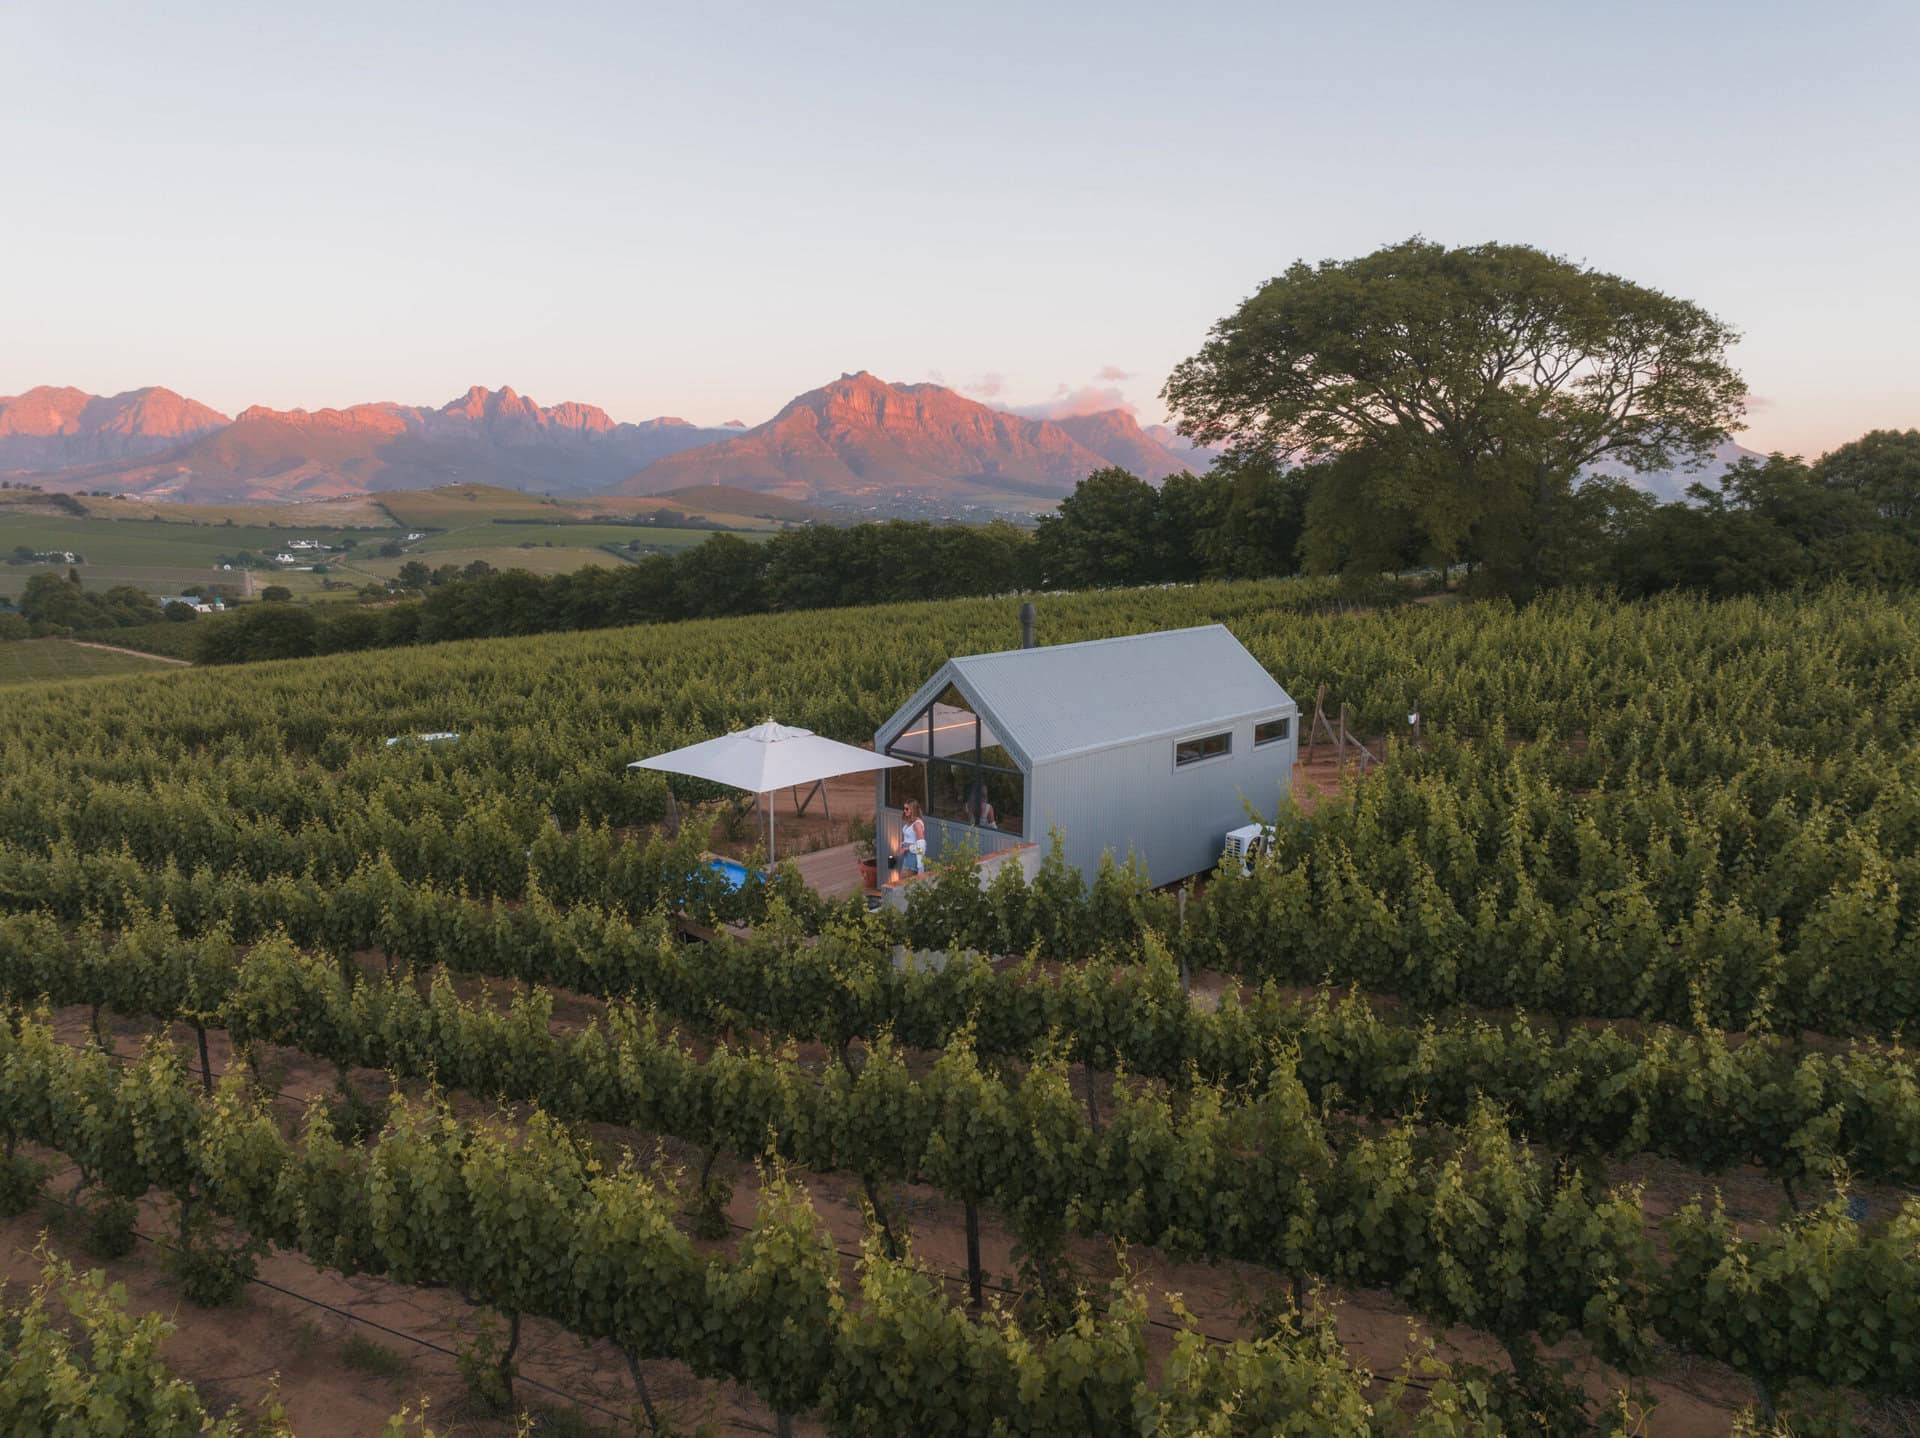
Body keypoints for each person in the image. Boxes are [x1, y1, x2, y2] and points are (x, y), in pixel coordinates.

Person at [898, 800, 927, 879]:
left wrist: (906, 848)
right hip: (907, 857)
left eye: (907, 809)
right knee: (904, 884)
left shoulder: (917, 824)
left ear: (913, 809)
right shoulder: (910, 822)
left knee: (903, 884)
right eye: (904, 808)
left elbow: (921, 847)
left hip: (913, 859)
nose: (904, 810)